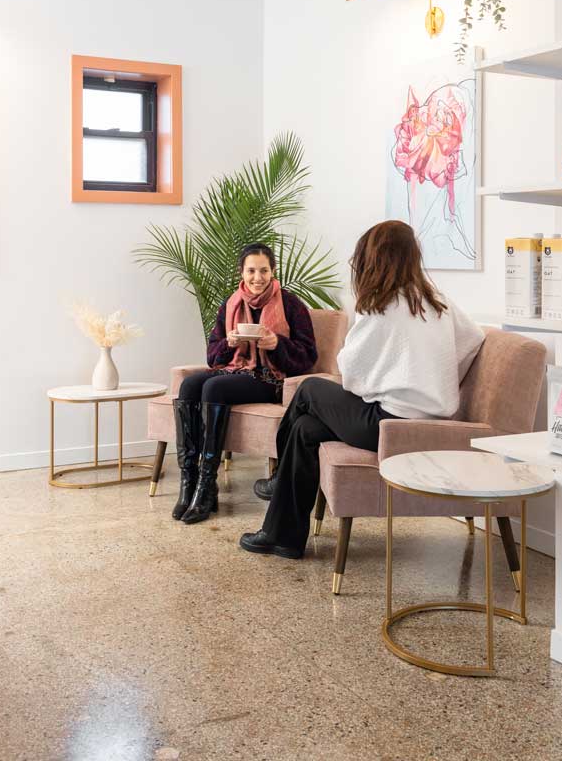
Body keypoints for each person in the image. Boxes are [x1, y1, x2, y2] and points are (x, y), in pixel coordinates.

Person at [239, 220, 484, 560]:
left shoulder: (380, 305)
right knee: (305, 428)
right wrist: (437, 379)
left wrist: (381, 384)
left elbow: (350, 375)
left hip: (385, 425)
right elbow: (474, 339)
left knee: (309, 388)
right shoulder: (436, 300)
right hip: (428, 423)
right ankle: (283, 537)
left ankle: (279, 479)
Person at [172, 242, 317, 525]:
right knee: (189, 386)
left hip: (271, 380)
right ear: (242, 272)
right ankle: (189, 481)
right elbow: (212, 357)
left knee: (214, 388)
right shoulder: (231, 304)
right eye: (251, 271)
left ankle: (206, 484)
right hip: (236, 371)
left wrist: (277, 344)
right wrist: (229, 343)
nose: (257, 277)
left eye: (264, 271)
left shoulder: (291, 304)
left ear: (273, 271)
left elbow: (309, 356)